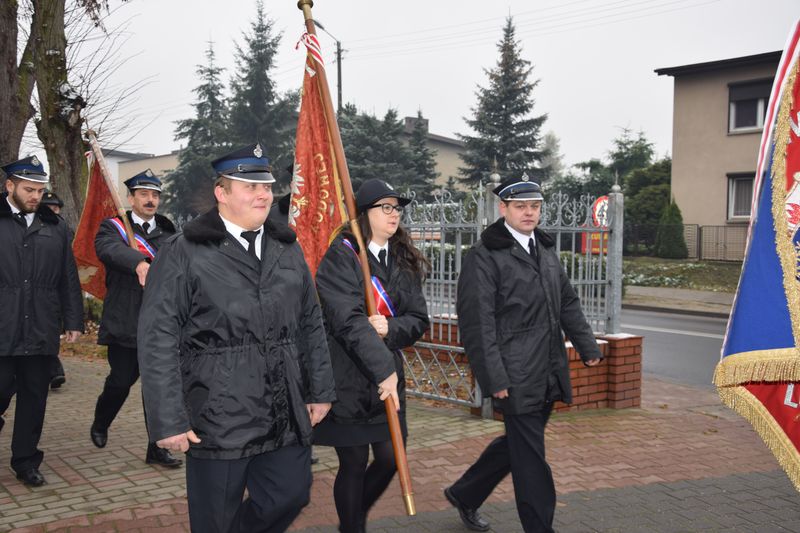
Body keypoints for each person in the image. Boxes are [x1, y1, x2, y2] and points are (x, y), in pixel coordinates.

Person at [138, 144, 335, 533]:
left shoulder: (286, 247)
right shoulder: (184, 251)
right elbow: (157, 336)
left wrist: (320, 389)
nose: (263, 194)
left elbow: (311, 321)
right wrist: (167, 419)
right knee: (216, 520)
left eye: (266, 186)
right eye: (249, 186)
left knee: (290, 495)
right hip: (219, 415)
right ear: (222, 193)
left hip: (284, 408)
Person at [444, 175, 603, 533]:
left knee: (519, 444)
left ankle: (465, 493)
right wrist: (494, 377)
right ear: (503, 209)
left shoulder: (544, 249)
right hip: (513, 374)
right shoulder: (484, 258)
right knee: (531, 459)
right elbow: (477, 325)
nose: (529, 213)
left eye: (534, 206)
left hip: (547, 368)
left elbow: (566, 302)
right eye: (520, 206)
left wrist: (587, 346)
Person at [314, 179, 430, 533]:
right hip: (348, 374)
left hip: (387, 378)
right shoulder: (342, 255)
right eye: (385, 207)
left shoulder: (402, 258)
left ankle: (353, 515)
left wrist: (389, 329)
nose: (394, 214)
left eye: (397, 208)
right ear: (364, 214)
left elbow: (418, 319)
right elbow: (343, 320)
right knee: (352, 461)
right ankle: (352, 526)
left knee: (390, 457)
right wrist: (369, 331)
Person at [89, 169, 181, 468]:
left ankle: (157, 447)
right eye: (144, 194)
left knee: (157, 388)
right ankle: (101, 420)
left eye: (155, 195)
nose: (150, 200)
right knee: (121, 381)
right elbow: (108, 250)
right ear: (131, 198)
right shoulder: (113, 227)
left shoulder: (169, 232)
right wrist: (139, 262)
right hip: (126, 319)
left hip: (161, 323)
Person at [0, 156, 83, 487]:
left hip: (40, 327)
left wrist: (73, 318)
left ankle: (25, 460)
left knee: (34, 398)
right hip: (3, 326)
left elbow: (68, 276)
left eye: (39, 189)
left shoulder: (56, 226)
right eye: (28, 189)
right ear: (9, 186)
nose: (35, 196)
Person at [40, 191, 68, 390]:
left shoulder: (64, 230)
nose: (53, 211)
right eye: (49, 207)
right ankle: (55, 371)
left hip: (56, 295)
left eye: (56, 208)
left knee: (48, 335)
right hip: (37, 293)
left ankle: (53, 371)